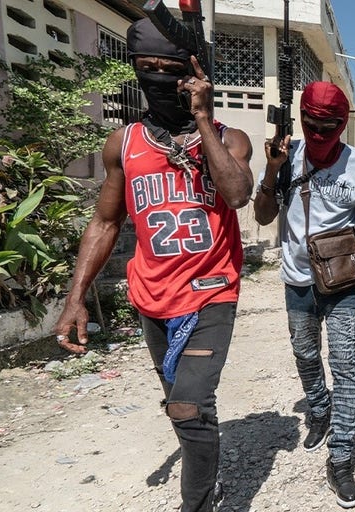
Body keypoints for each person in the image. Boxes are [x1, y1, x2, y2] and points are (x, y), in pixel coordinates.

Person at [53, 18, 254, 512]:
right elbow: (104, 223)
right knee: (182, 408)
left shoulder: (231, 138)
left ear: (195, 73)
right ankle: (208, 469)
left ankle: (199, 504)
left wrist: (203, 119)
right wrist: (75, 298)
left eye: (172, 70)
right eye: (147, 69)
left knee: (187, 405)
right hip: (152, 299)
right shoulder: (123, 145)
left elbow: (237, 193)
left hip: (211, 293)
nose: (160, 79)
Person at [252, 81, 355, 509]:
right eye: (311, 125)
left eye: (329, 126)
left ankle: (341, 459)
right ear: (302, 120)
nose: (319, 133)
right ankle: (320, 410)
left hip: (343, 280)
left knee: (346, 364)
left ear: (342, 124)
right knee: (305, 355)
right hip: (297, 279)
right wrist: (272, 169)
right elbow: (263, 214)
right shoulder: (285, 157)